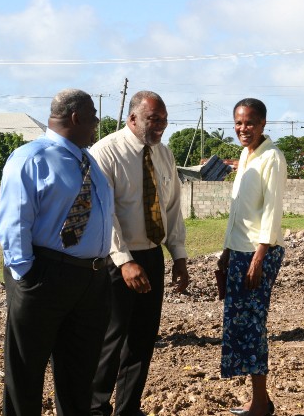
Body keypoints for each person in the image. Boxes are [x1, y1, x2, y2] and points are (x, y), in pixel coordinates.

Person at [0, 88, 113, 415]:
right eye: (93, 116)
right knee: (26, 374)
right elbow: (13, 221)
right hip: (46, 276)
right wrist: (28, 276)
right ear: (75, 118)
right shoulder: (31, 158)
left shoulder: (87, 160)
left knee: (79, 377)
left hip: (90, 281)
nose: (97, 123)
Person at [88, 90, 189, 416]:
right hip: (115, 261)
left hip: (151, 256)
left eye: (163, 120)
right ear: (132, 118)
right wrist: (125, 261)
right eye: (152, 119)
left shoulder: (164, 154)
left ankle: (128, 408)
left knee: (143, 339)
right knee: (111, 338)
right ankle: (96, 407)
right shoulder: (106, 152)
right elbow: (105, 213)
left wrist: (179, 255)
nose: (160, 126)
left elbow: (171, 206)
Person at [217, 98, 287, 416]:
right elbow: (238, 212)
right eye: (239, 123)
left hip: (259, 254)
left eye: (250, 123)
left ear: (262, 124)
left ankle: (260, 403)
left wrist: (259, 255)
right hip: (240, 252)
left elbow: (272, 210)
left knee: (253, 327)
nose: (243, 129)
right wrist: (226, 252)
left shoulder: (272, 157)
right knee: (240, 327)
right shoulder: (246, 156)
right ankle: (258, 400)